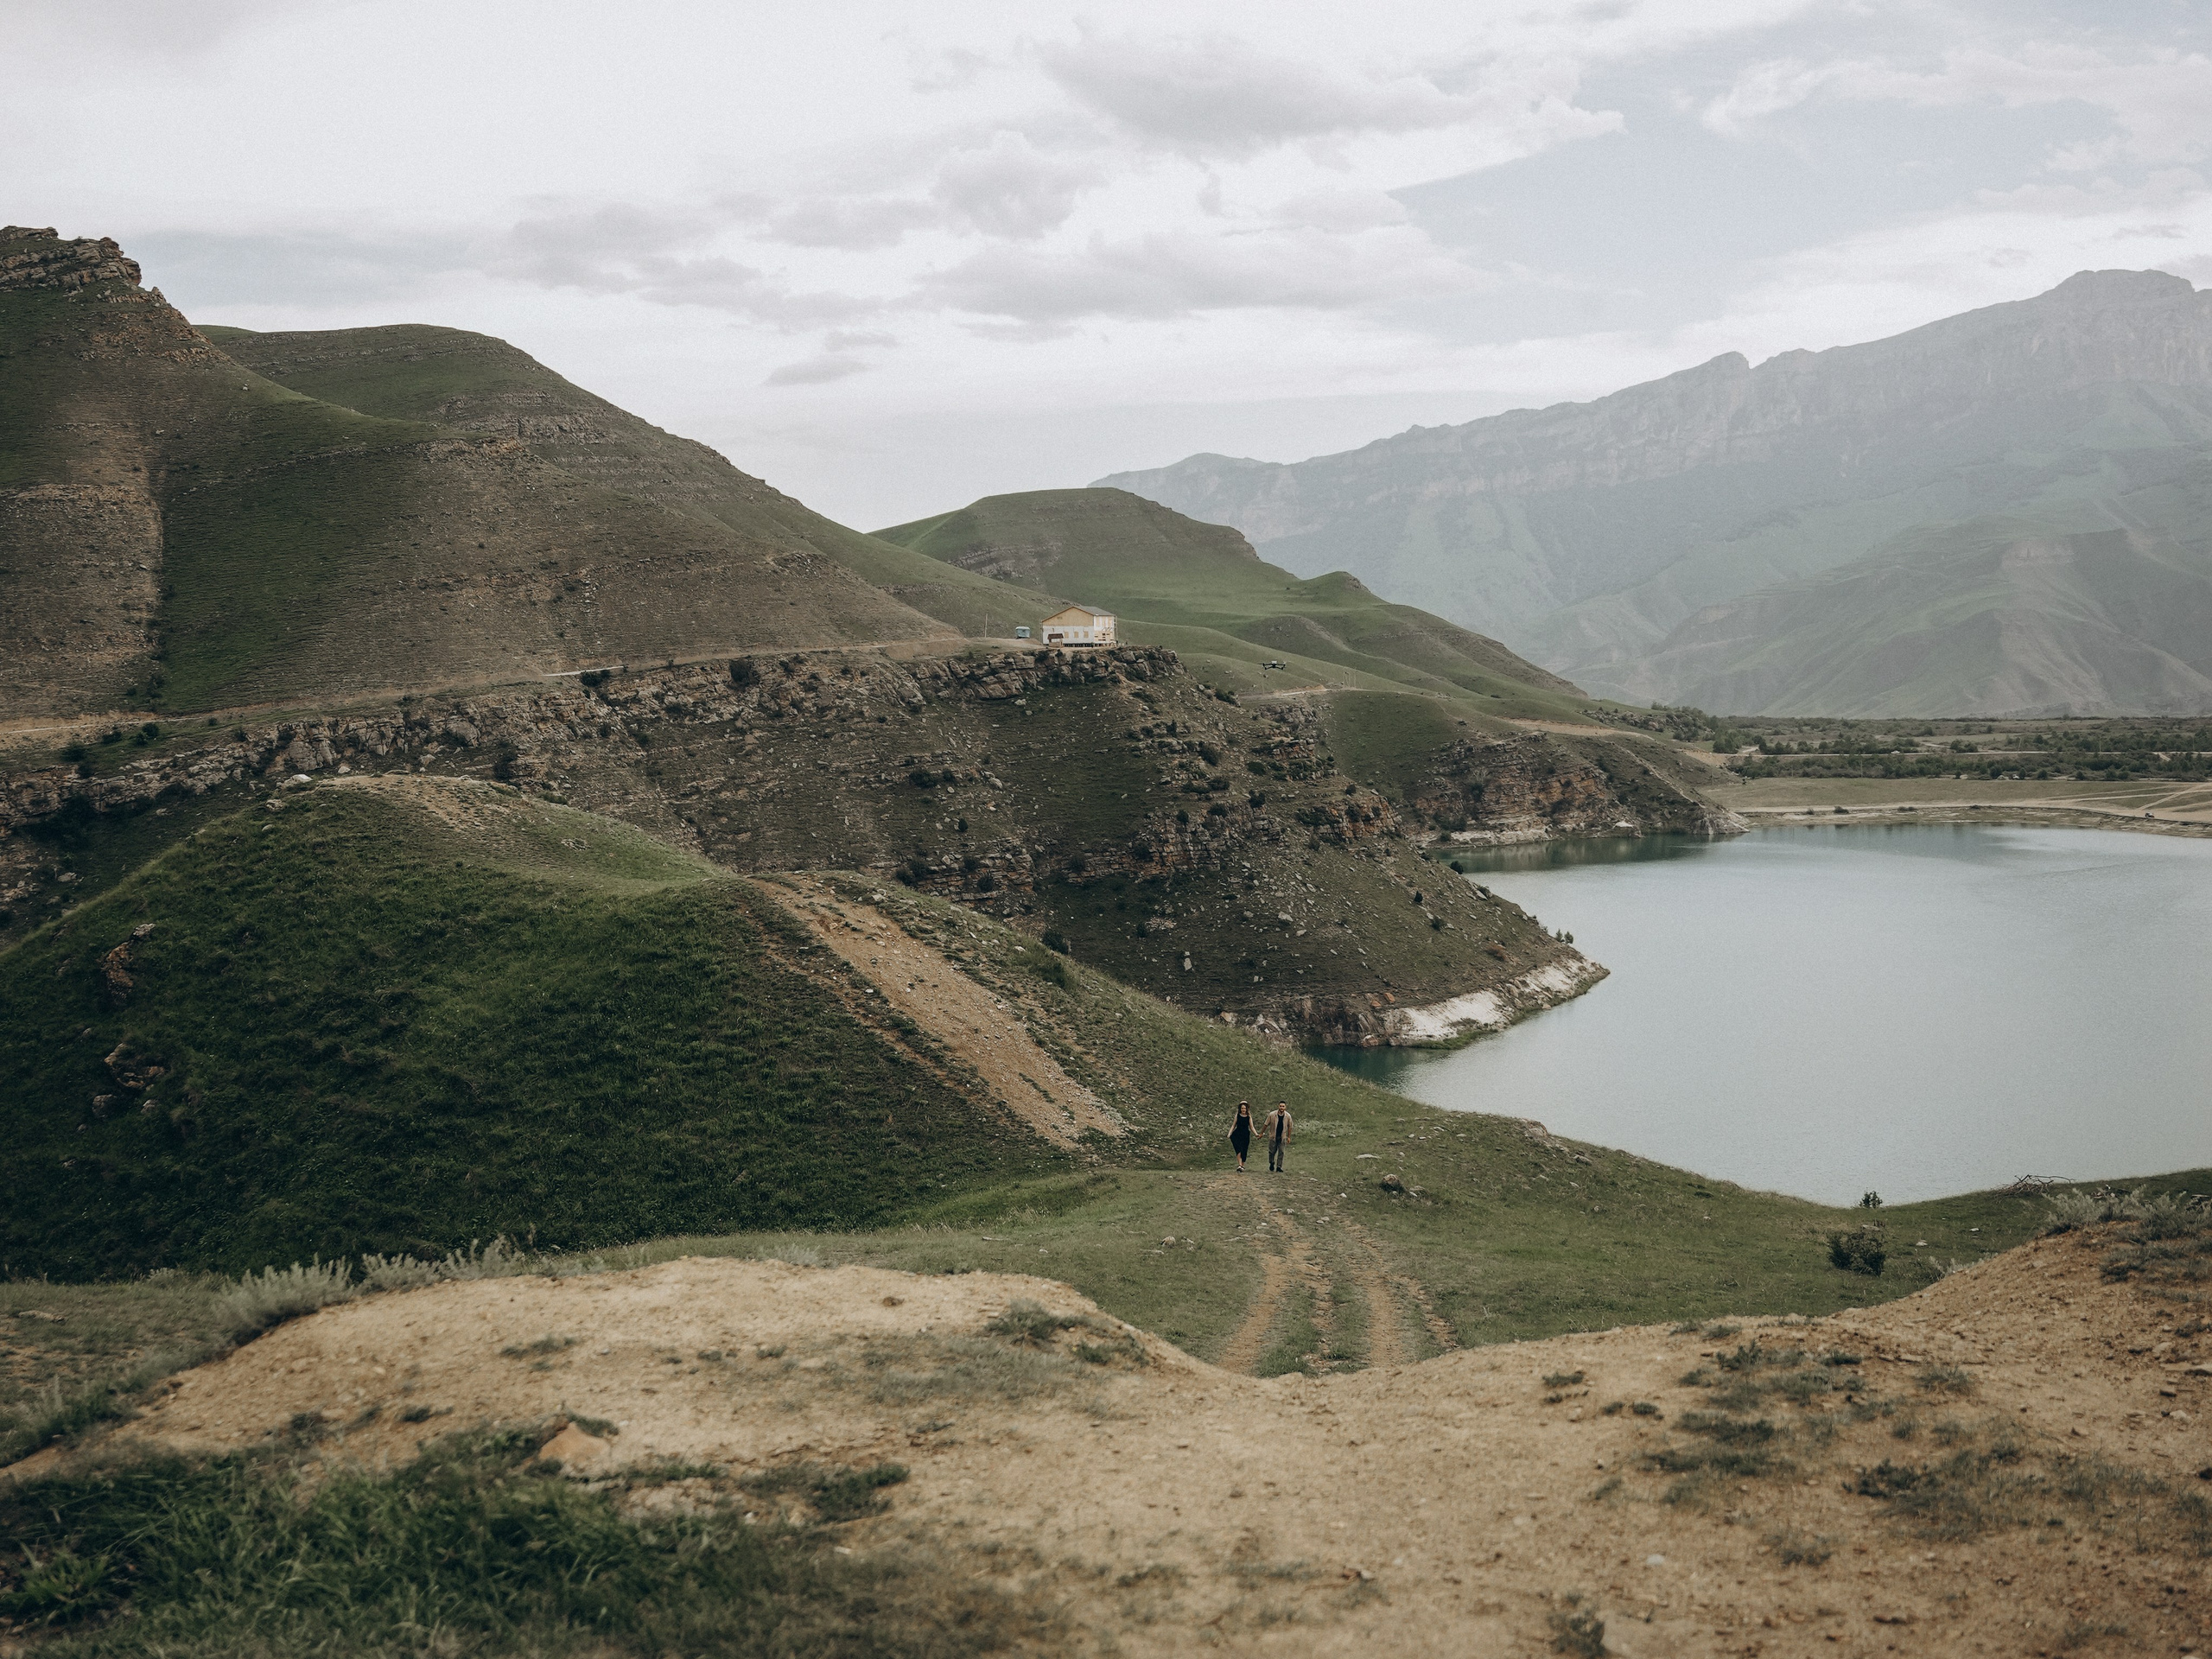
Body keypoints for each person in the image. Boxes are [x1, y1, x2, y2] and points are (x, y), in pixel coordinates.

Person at [1265, 1101, 1293, 1172]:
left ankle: (1279, 1167)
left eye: (1283, 1106)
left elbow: (1290, 1127)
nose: (1281, 1108)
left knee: (1281, 1152)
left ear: (1285, 1107)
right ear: (1278, 1106)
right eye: (1280, 1106)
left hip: (1282, 1137)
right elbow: (1266, 1124)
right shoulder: (1272, 1115)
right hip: (1273, 1136)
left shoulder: (1288, 1116)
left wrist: (1289, 1137)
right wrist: (1261, 1133)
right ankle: (1271, 1163)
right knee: (1271, 1152)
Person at [1229, 1100, 1254, 1171]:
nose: (1243, 1110)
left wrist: (1256, 1134)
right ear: (1240, 1109)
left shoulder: (1249, 1117)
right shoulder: (1237, 1115)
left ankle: (1242, 1166)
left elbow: (1252, 1127)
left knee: (1244, 1150)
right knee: (1238, 1149)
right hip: (1237, 1134)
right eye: (1242, 1108)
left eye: (1244, 1108)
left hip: (1245, 1135)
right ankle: (1240, 1165)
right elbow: (1233, 1125)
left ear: (1247, 1109)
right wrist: (1229, 1133)